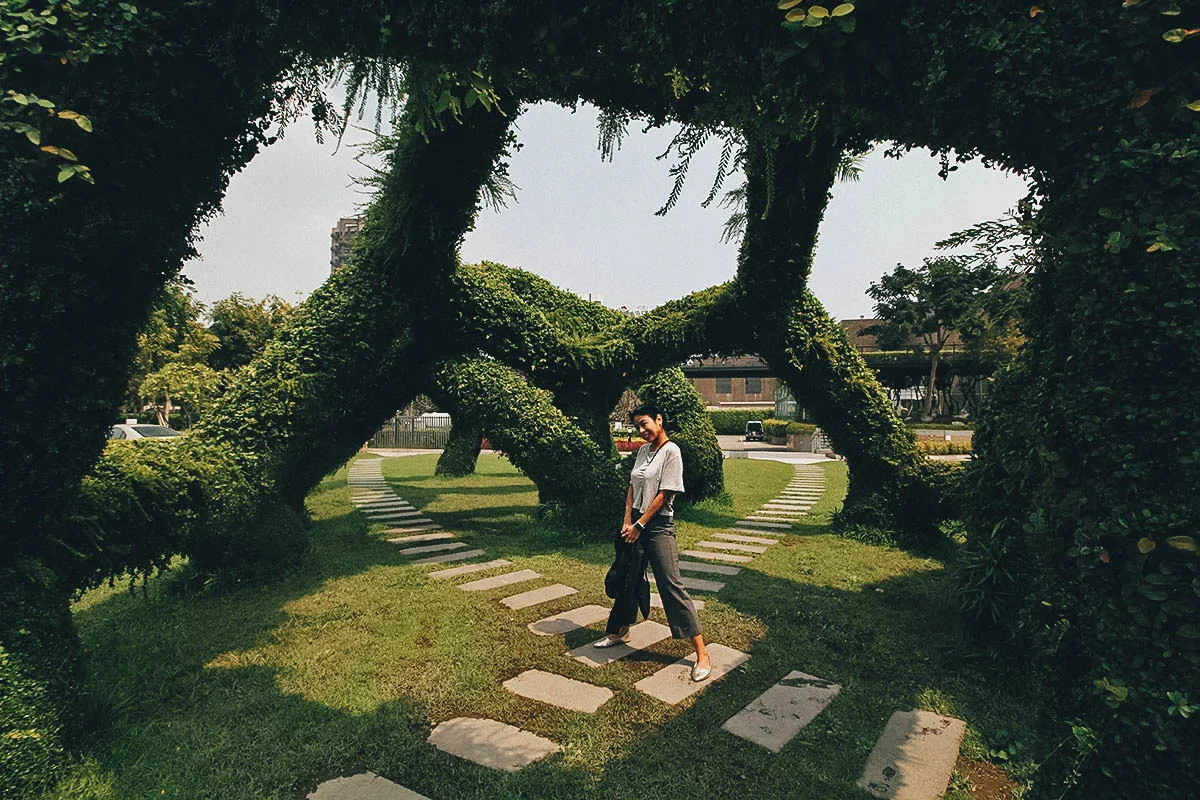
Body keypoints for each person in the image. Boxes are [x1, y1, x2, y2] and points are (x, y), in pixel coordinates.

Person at [594, 404, 712, 682]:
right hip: (634, 522)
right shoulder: (643, 452)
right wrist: (627, 520)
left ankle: (702, 653)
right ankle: (620, 632)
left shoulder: (672, 452)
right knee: (629, 579)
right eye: (637, 426)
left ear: (659, 420)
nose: (641, 430)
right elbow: (633, 487)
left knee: (671, 585)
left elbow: (665, 493)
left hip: (657, 526)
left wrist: (640, 525)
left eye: (645, 423)